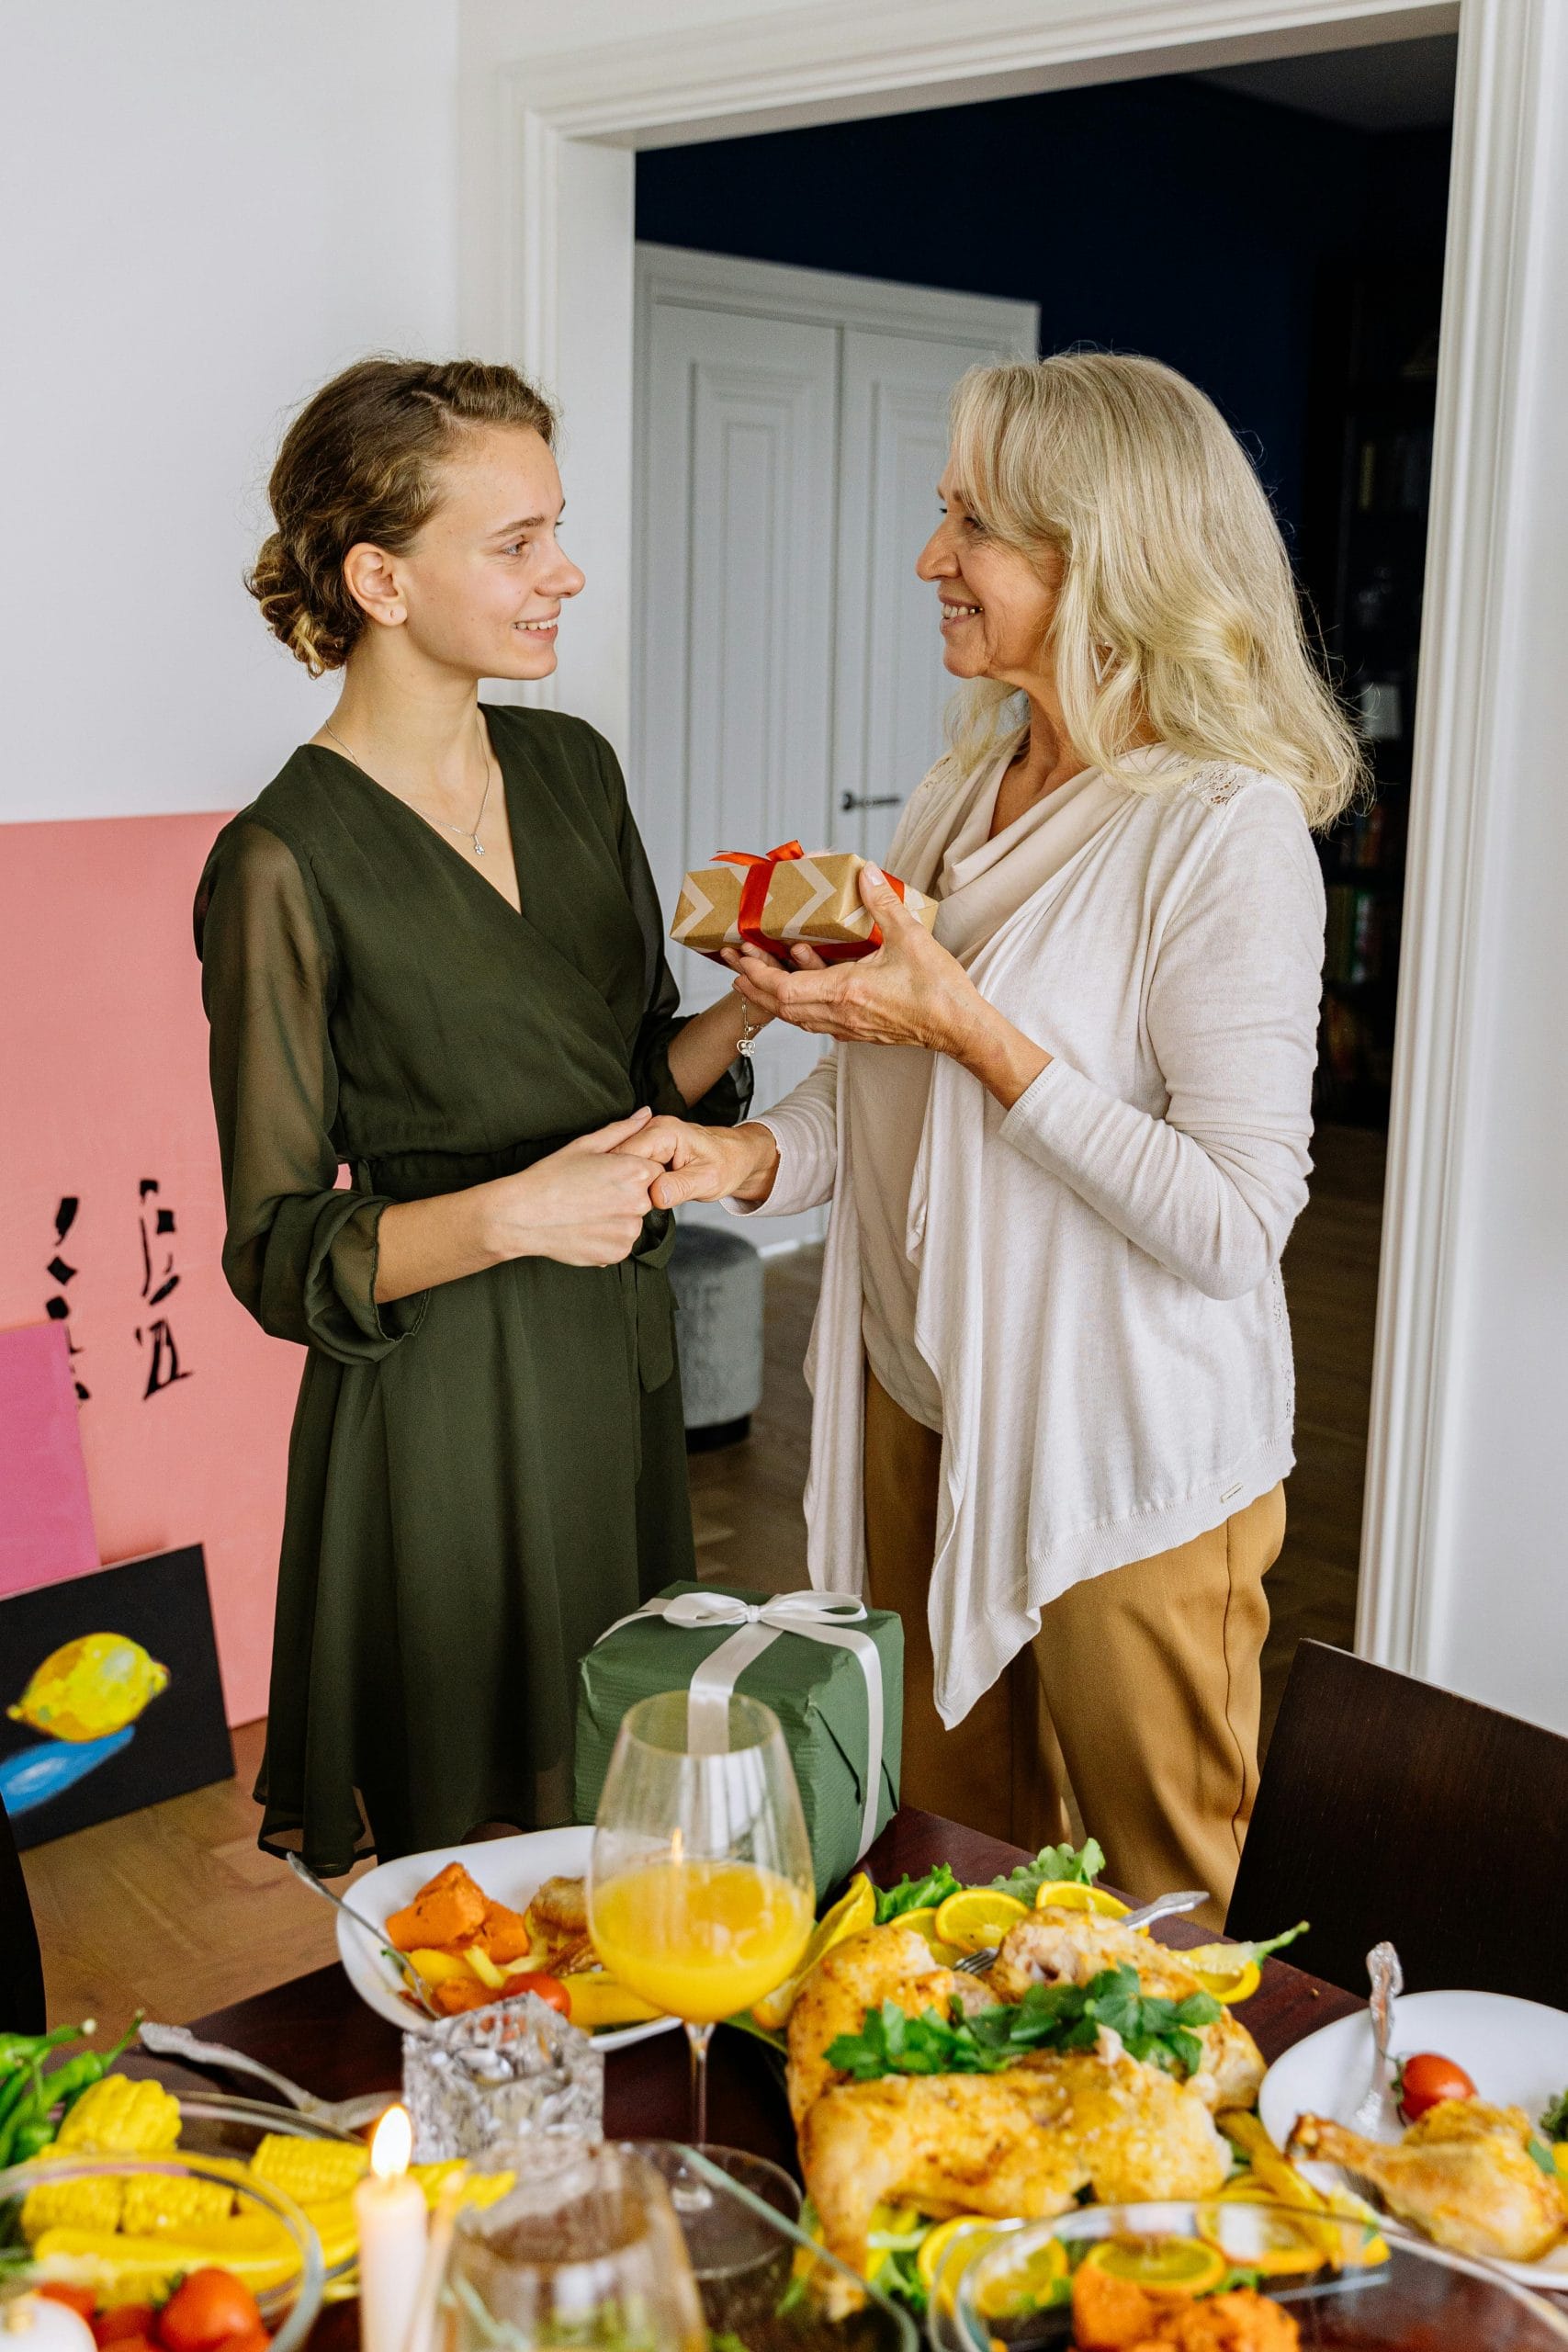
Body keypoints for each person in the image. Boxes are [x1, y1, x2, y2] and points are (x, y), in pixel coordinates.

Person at [629, 353, 1359, 1924]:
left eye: (974, 525)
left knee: (1174, 1913)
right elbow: (890, 1102)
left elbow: (1235, 1222)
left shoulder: (1219, 829)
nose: (930, 559)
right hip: (921, 1408)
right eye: (943, 512)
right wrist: (744, 1162)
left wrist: (971, 1026)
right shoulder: (965, 789)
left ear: (1103, 558)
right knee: (953, 1869)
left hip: (1122, 1449)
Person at [196, 358, 764, 1873]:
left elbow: (629, 1080)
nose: (564, 573)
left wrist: (759, 1004)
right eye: (517, 543)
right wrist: (517, 1214)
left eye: (556, 531)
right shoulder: (279, 862)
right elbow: (275, 1250)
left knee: (621, 1832)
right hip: (438, 1413)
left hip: (611, 1373)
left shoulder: (574, 770)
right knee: (466, 1877)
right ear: (380, 579)